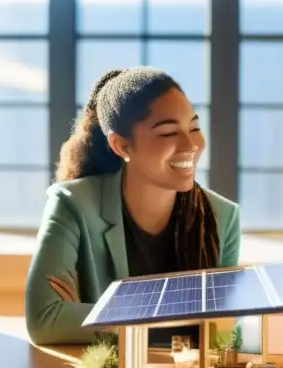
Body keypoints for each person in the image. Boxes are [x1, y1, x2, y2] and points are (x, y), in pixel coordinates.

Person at [25, 67, 241, 345]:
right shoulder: (73, 204)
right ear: (121, 146)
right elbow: (45, 321)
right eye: (167, 133)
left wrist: (99, 315)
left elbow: (219, 332)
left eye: (194, 128)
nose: (191, 145)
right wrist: (178, 325)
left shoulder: (223, 217)